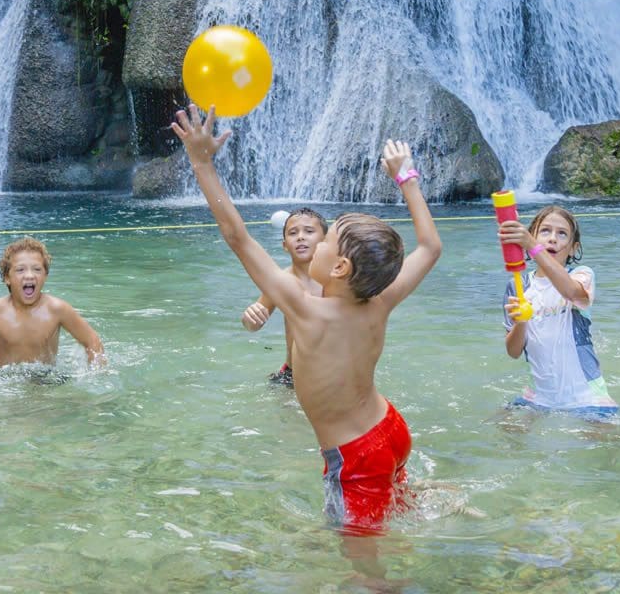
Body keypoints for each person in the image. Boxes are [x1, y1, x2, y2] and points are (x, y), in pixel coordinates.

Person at [171, 104, 442, 535]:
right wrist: (406, 177)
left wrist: (200, 162)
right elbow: (429, 248)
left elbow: (236, 236)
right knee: (395, 497)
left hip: (355, 455)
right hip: (391, 429)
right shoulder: (380, 300)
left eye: (326, 241)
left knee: (360, 556)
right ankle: (430, 500)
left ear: (339, 269)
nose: (313, 246)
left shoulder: (305, 309)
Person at [498, 206, 620, 421]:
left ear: (574, 248)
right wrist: (521, 323)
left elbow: (572, 293)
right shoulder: (518, 286)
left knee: (610, 448)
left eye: (562, 233)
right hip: (540, 396)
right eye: (545, 231)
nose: (552, 239)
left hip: (586, 394)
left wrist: (534, 247)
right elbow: (513, 351)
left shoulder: (581, 275)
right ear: (531, 238)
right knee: (504, 433)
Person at [0, 236, 104, 379]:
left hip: (46, 379)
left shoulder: (58, 309)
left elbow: (92, 341)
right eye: (20, 270)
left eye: (37, 269)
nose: (29, 275)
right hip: (2, 380)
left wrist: (96, 375)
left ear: (45, 275)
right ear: (7, 278)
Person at [240, 207, 328, 387]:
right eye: (293, 233)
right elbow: (252, 326)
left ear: (325, 241)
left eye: (309, 231)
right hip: (292, 374)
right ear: (284, 245)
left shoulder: (337, 281)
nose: (300, 237)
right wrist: (250, 317)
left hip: (331, 373)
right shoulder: (281, 282)